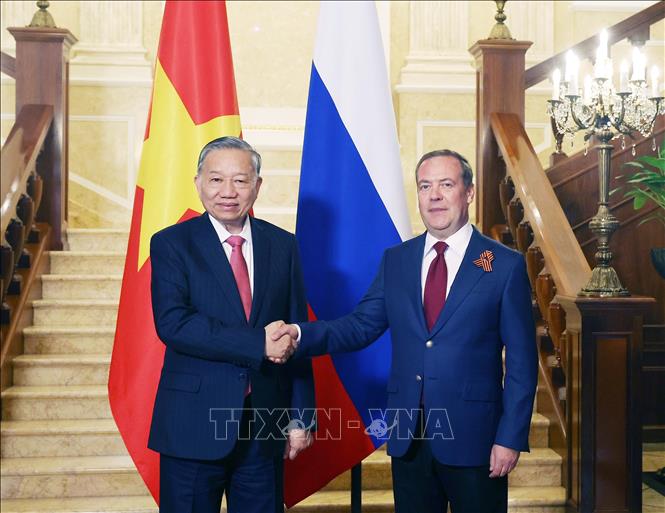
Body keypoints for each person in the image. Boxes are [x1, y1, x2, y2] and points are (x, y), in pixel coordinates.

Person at [272, 149, 538, 513]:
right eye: (425, 186)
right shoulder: (397, 260)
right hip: (409, 436)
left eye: (446, 185)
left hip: (476, 438)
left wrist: (510, 437)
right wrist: (299, 334)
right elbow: (360, 326)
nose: (434, 196)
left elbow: (523, 363)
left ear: (469, 192)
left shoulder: (502, 265)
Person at [148, 136, 313, 513]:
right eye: (216, 179)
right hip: (192, 424)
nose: (228, 191)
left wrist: (302, 414)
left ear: (257, 185)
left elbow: (297, 334)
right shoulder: (172, 243)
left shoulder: (282, 245)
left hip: (264, 425)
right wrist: (258, 344)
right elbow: (174, 323)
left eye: (240, 180)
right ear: (198, 183)